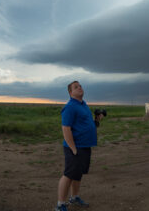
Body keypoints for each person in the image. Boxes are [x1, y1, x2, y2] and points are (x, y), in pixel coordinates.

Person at [55, 81, 104, 211]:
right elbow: (66, 129)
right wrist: (73, 148)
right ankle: (60, 205)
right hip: (75, 147)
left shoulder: (83, 104)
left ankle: (74, 197)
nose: (80, 88)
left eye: (80, 86)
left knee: (78, 174)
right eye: (76, 87)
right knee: (69, 175)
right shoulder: (70, 107)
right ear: (71, 93)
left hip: (84, 146)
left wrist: (97, 120)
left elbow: (87, 125)